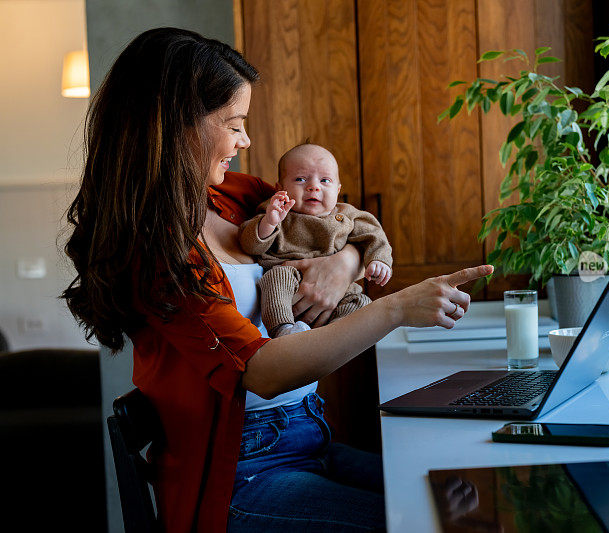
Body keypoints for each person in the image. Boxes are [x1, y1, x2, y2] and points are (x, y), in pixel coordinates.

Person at [61, 27, 491, 533]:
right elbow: (259, 372)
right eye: (234, 124)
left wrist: (345, 264)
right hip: (240, 476)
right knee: (423, 520)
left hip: (307, 437)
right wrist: (394, 309)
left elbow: (333, 221)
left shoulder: (231, 195)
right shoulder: (157, 251)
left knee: (458, 498)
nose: (245, 142)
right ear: (179, 125)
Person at [239, 143, 392, 337]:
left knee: (362, 303)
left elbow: (374, 236)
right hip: (289, 285)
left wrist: (379, 260)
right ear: (280, 188)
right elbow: (249, 245)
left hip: (339, 293)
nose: (314, 187)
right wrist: (268, 223)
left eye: (325, 180)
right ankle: (283, 330)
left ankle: (334, 336)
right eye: (300, 179)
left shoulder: (348, 215)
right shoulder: (276, 212)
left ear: (338, 190)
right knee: (276, 278)